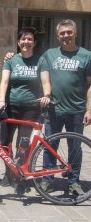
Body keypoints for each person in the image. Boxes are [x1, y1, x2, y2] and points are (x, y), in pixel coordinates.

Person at [37, 19, 91, 195]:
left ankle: (74, 181)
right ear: (57, 36)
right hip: (54, 110)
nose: (66, 36)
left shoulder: (86, 56)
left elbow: (90, 85)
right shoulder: (49, 55)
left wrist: (90, 109)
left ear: (75, 33)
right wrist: (46, 95)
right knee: (50, 145)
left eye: (69, 32)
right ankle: (47, 179)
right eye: (62, 33)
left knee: (75, 147)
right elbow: (45, 79)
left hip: (77, 110)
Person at [0, 27, 51, 188]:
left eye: (30, 39)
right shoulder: (11, 60)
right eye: (23, 39)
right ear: (18, 42)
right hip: (10, 107)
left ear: (34, 43)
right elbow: (4, 81)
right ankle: (8, 172)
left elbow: (46, 82)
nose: (26, 42)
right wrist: (1, 100)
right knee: (5, 142)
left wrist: (46, 95)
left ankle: (20, 174)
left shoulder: (40, 60)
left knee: (23, 144)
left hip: (31, 109)